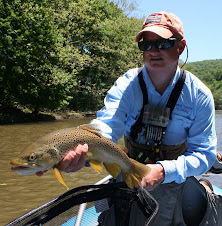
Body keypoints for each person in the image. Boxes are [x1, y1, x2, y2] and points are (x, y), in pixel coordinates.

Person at [37, 11, 219, 225]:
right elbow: (105, 129)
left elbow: (204, 155)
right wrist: (81, 152)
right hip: (127, 170)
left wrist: (162, 170)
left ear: (180, 46)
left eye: (162, 43)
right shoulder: (126, 85)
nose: (153, 51)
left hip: (175, 178)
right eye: (146, 45)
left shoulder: (199, 95)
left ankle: (203, 187)